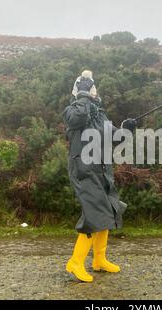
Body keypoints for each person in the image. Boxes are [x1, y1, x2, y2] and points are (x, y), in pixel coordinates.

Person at [63, 70, 133, 282]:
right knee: (94, 214)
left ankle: (99, 260)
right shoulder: (72, 111)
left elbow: (115, 137)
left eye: (91, 89)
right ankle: (75, 262)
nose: (92, 92)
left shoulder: (100, 114)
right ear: (80, 92)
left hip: (102, 170)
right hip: (83, 170)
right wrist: (82, 95)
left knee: (107, 212)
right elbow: (79, 117)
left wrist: (127, 130)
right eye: (87, 89)